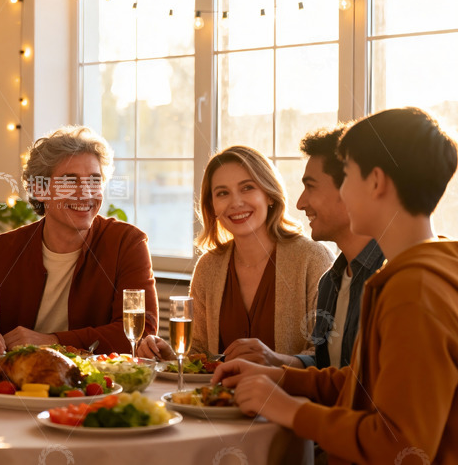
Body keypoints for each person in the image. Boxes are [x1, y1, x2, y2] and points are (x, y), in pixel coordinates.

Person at [214, 108, 458, 465]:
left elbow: (400, 446)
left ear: (376, 182)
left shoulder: (415, 290)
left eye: (346, 177)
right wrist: (280, 378)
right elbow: (364, 387)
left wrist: (288, 410)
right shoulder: (424, 268)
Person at [0, 126, 159, 363]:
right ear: (39, 190)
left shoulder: (127, 243)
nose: (85, 193)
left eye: (95, 181)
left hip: (94, 388)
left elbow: (139, 334)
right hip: (12, 387)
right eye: (70, 181)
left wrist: (52, 340)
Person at [140, 145, 332, 360]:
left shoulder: (312, 258)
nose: (236, 203)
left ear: (269, 195)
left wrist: (276, 362)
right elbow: (201, 354)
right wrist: (171, 356)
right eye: (222, 193)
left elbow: (325, 353)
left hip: (286, 394)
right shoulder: (208, 266)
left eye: (247, 188)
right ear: (212, 207)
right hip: (218, 394)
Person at [223, 127, 385, 368]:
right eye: (222, 193)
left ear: (352, 188)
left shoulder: (391, 279)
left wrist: (280, 392)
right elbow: (328, 374)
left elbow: (371, 397)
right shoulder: (330, 283)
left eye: (311, 186)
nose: (299, 203)